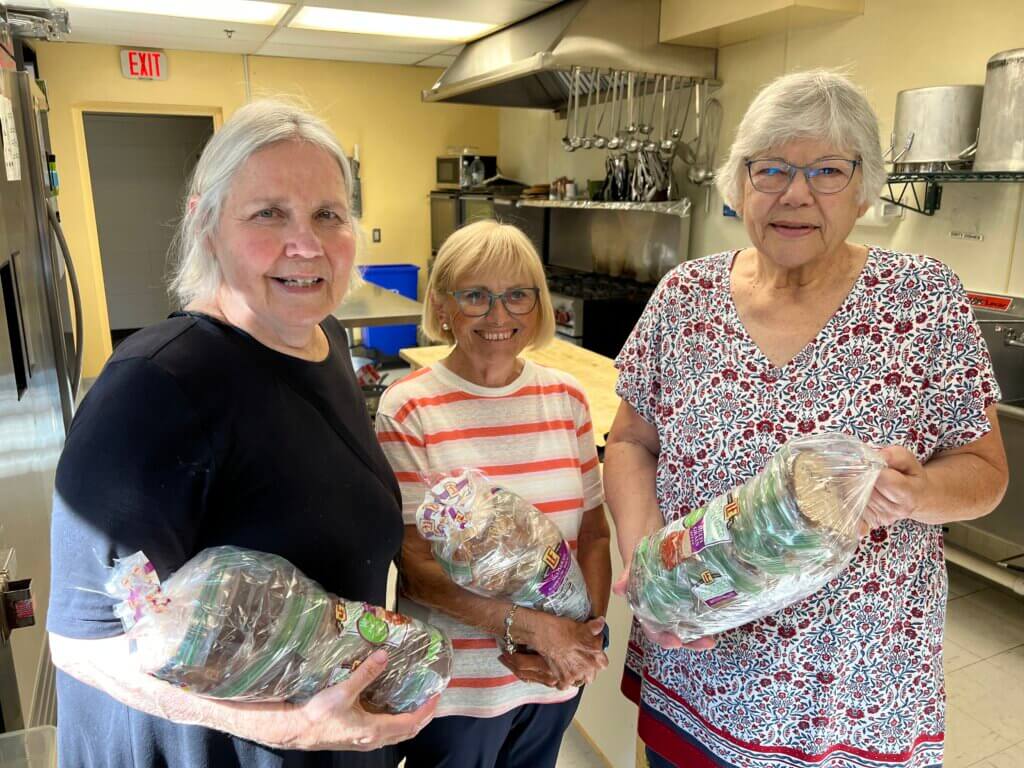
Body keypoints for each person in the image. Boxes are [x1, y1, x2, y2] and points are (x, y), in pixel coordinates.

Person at [605, 70, 1009, 768]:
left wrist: (915, 494)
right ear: (739, 186)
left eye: (826, 169)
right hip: (696, 665)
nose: (795, 193)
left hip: (851, 693)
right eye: (771, 169)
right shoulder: (684, 296)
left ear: (863, 189)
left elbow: (986, 474)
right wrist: (649, 569)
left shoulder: (922, 299)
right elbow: (631, 441)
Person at [46, 99, 437, 767]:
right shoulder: (155, 388)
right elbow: (83, 644)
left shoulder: (325, 343)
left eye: (328, 214)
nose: (307, 244)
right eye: (268, 214)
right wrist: (292, 730)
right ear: (206, 224)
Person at [374, 219, 612, 768]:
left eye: (516, 296)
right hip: (459, 687)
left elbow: (593, 535)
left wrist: (585, 637)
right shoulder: (409, 408)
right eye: (475, 296)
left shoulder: (567, 399)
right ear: (442, 306)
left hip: (554, 676)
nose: (499, 315)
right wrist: (534, 630)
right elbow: (416, 568)